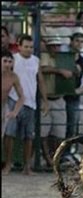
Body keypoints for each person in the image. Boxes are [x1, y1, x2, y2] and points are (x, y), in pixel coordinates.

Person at [3, 34, 49, 175]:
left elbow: (40, 80)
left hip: (30, 102)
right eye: (26, 46)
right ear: (19, 46)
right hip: (13, 99)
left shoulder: (35, 60)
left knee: (29, 136)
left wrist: (45, 101)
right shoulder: (14, 59)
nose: (29, 49)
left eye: (31, 47)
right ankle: (8, 164)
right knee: (9, 134)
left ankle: (27, 166)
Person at [40, 36, 76, 169]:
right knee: (43, 132)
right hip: (46, 98)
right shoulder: (44, 56)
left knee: (59, 132)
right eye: (52, 45)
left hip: (59, 99)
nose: (55, 48)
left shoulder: (65, 58)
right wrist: (59, 71)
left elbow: (74, 70)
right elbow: (42, 69)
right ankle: (49, 160)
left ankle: (55, 159)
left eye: (57, 45)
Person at [64, 28, 83, 139]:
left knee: (72, 126)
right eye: (77, 41)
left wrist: (80, 90)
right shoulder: (63, 58)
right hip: (59, 97)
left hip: (73, 98)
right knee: (57, 128)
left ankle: (68, 152)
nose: (79, 44)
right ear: (71, 41)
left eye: (81, 41)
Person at [2, 48, 25, 140]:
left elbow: (21, 97)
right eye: (5, 61)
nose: (7, 64)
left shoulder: (13, 77)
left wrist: (15, 111)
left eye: (10, 62)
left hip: (3, 107)